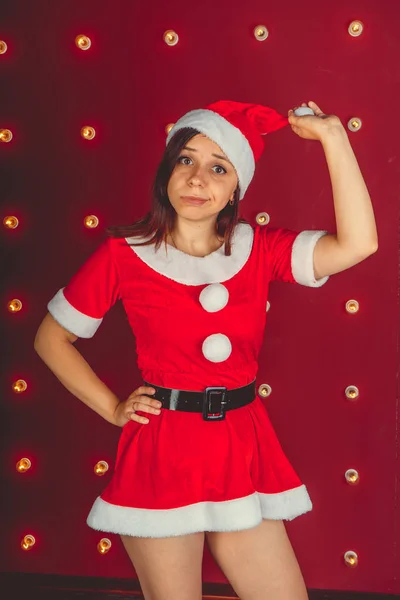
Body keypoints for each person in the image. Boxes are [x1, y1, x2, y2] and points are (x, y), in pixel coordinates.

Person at [34, 99, 378, 600]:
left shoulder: (259, 247)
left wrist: (333, 137)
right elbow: (51, 338)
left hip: (241, 447)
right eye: (186, 160)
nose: (197, 179)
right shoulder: (124, 252)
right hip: (163, 454)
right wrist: (112, 408)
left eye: (218, 167)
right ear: (167, 171)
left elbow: (358, 244)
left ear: (237, 187)